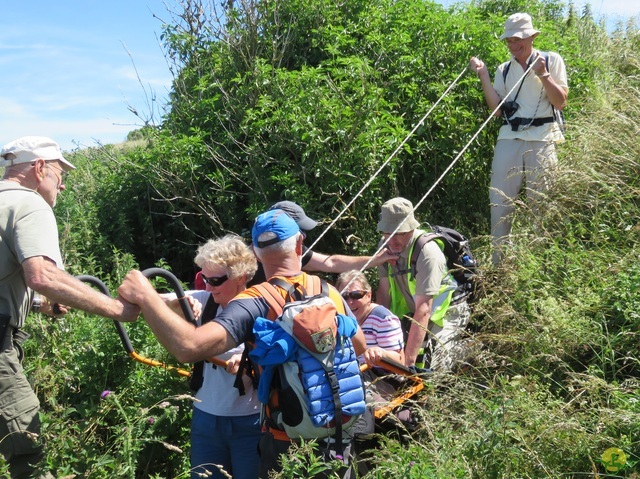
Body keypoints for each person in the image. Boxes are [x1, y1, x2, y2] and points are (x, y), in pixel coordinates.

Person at [117, 209, 367, 479]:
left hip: (285, 442)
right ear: (299, 243)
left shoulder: (254, 300)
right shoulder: (328, 291)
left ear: (257, 254)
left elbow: (188, 346)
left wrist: (145, 294)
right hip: (335, 434)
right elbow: (360, 346)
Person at [0, 136, 139, 478]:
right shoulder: (29, 204)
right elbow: (43, 275)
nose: (62, 186)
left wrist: (36, 305)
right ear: (39, 167)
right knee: (25, 440)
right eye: (60, 174)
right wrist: (117, 309)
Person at [469, 13, 568, 265]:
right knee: (500, 201)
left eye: (518, 39)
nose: (513, 45)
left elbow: (560, 101)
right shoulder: (504, 69)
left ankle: (542, 264)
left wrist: (544, 75)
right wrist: (484, 76)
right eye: (509, 40)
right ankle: (499, 265)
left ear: (532, 36)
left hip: (543, 139)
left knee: (542, 204)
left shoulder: (551, 60)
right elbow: (497, 110)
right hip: (509, 138)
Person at [165, 235, 262, 479]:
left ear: (241, 277)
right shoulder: (205, 300)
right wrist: (177, 305)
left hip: (250, 420)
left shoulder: (260, 307)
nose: (208, 287)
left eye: (216, 280)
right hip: (206, 418)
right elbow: (150, 301)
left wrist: (250, 361)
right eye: (205, 279)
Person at [375, 197, 470, 372]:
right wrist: (378, 334)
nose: (393, 240)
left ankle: (466, 351)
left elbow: (424, 309)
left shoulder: (428, 252)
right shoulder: (385, 246)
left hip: (447, 312)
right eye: (388, 233)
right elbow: (383, 294)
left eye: (400, 233)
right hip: (415, 313)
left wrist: (406, 367)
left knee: (435, 370)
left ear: (411, 229)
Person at [335, 270, 404, 367]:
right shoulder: (339, 319)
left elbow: (400, 361)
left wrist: (381, 353)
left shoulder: (383, 319)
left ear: (368, 295)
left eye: (356, 295)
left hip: (379, 378)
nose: (350, 302)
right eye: (344, 296)